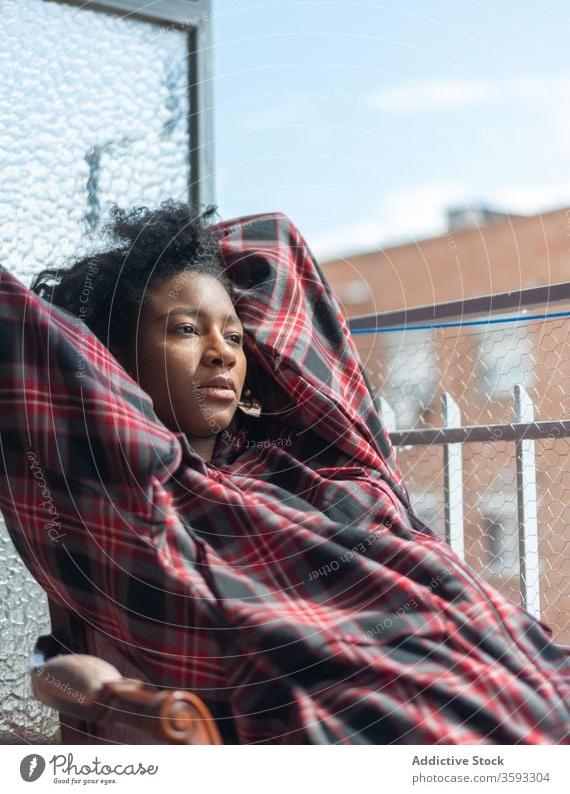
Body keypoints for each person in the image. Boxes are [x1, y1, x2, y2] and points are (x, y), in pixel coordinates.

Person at [0, 203, 568, 745]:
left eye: (235, 335)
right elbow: (28, 347)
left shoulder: (322, 453)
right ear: (111, 358)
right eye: (186, 330)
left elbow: (272, 245)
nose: (223, 353)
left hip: (528, 675)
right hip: (409, 727)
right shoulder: (145, 508)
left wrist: (178, 254)